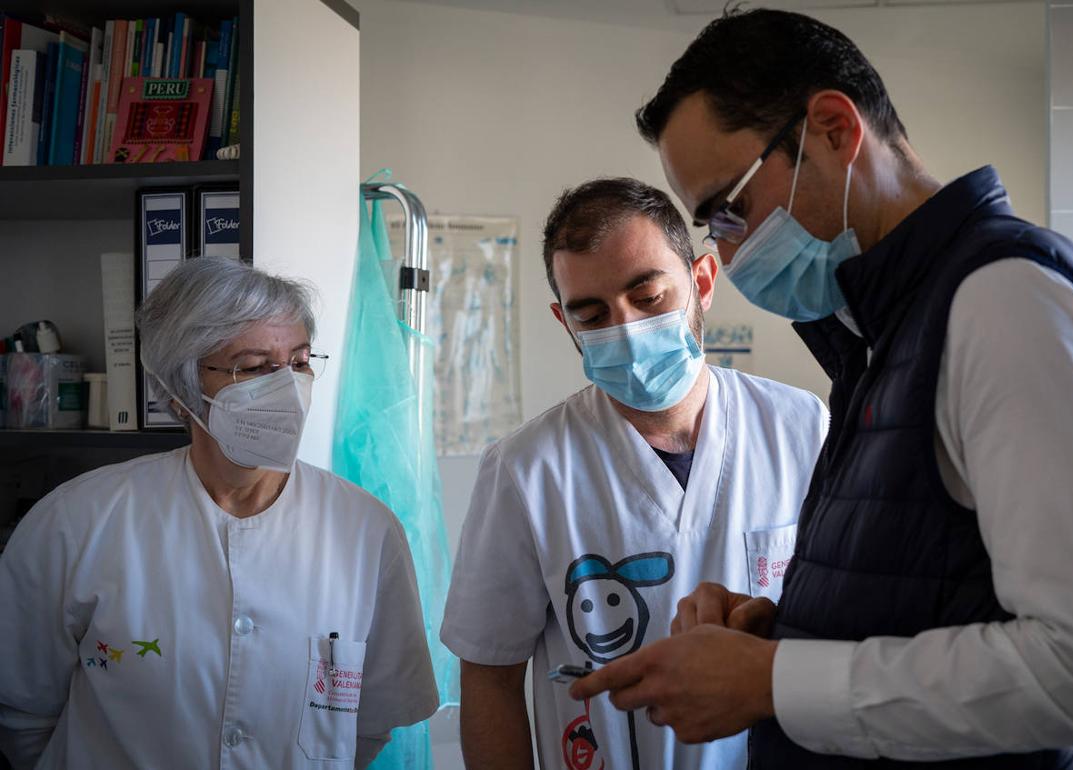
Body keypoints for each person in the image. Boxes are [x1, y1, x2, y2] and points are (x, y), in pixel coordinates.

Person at [571, 9, 1073, 770]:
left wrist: (777, 679)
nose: (725, 247)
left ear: (832, 128)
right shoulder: (883, 332)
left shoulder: (1004, 303)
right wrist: (783, 633)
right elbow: (938, 594)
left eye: (730, 208)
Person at [440, 177, 829, 770]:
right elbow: (490, 676)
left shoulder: (802, 429)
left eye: (647, 299)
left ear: (701, 282)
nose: (623, 328)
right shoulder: (526, 471)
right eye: (592, 314)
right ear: (564, 322)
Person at [0, 257, 438, 769]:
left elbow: (371, 723)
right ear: (182, 389)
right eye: (253, 368)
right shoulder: (77, 523)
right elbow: (23, 717)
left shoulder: (366, 531)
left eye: (298, 362)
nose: (287, 389)